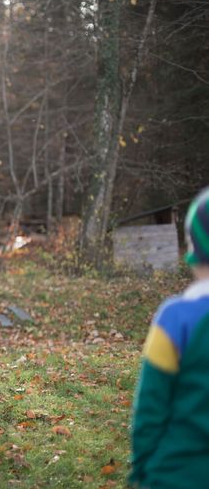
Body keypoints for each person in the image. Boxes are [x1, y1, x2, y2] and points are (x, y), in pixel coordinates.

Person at [129, 186, 209, 488]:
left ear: (192, 244)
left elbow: (150, 406)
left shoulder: (175, 319)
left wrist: (142, 469)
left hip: (176, 475)